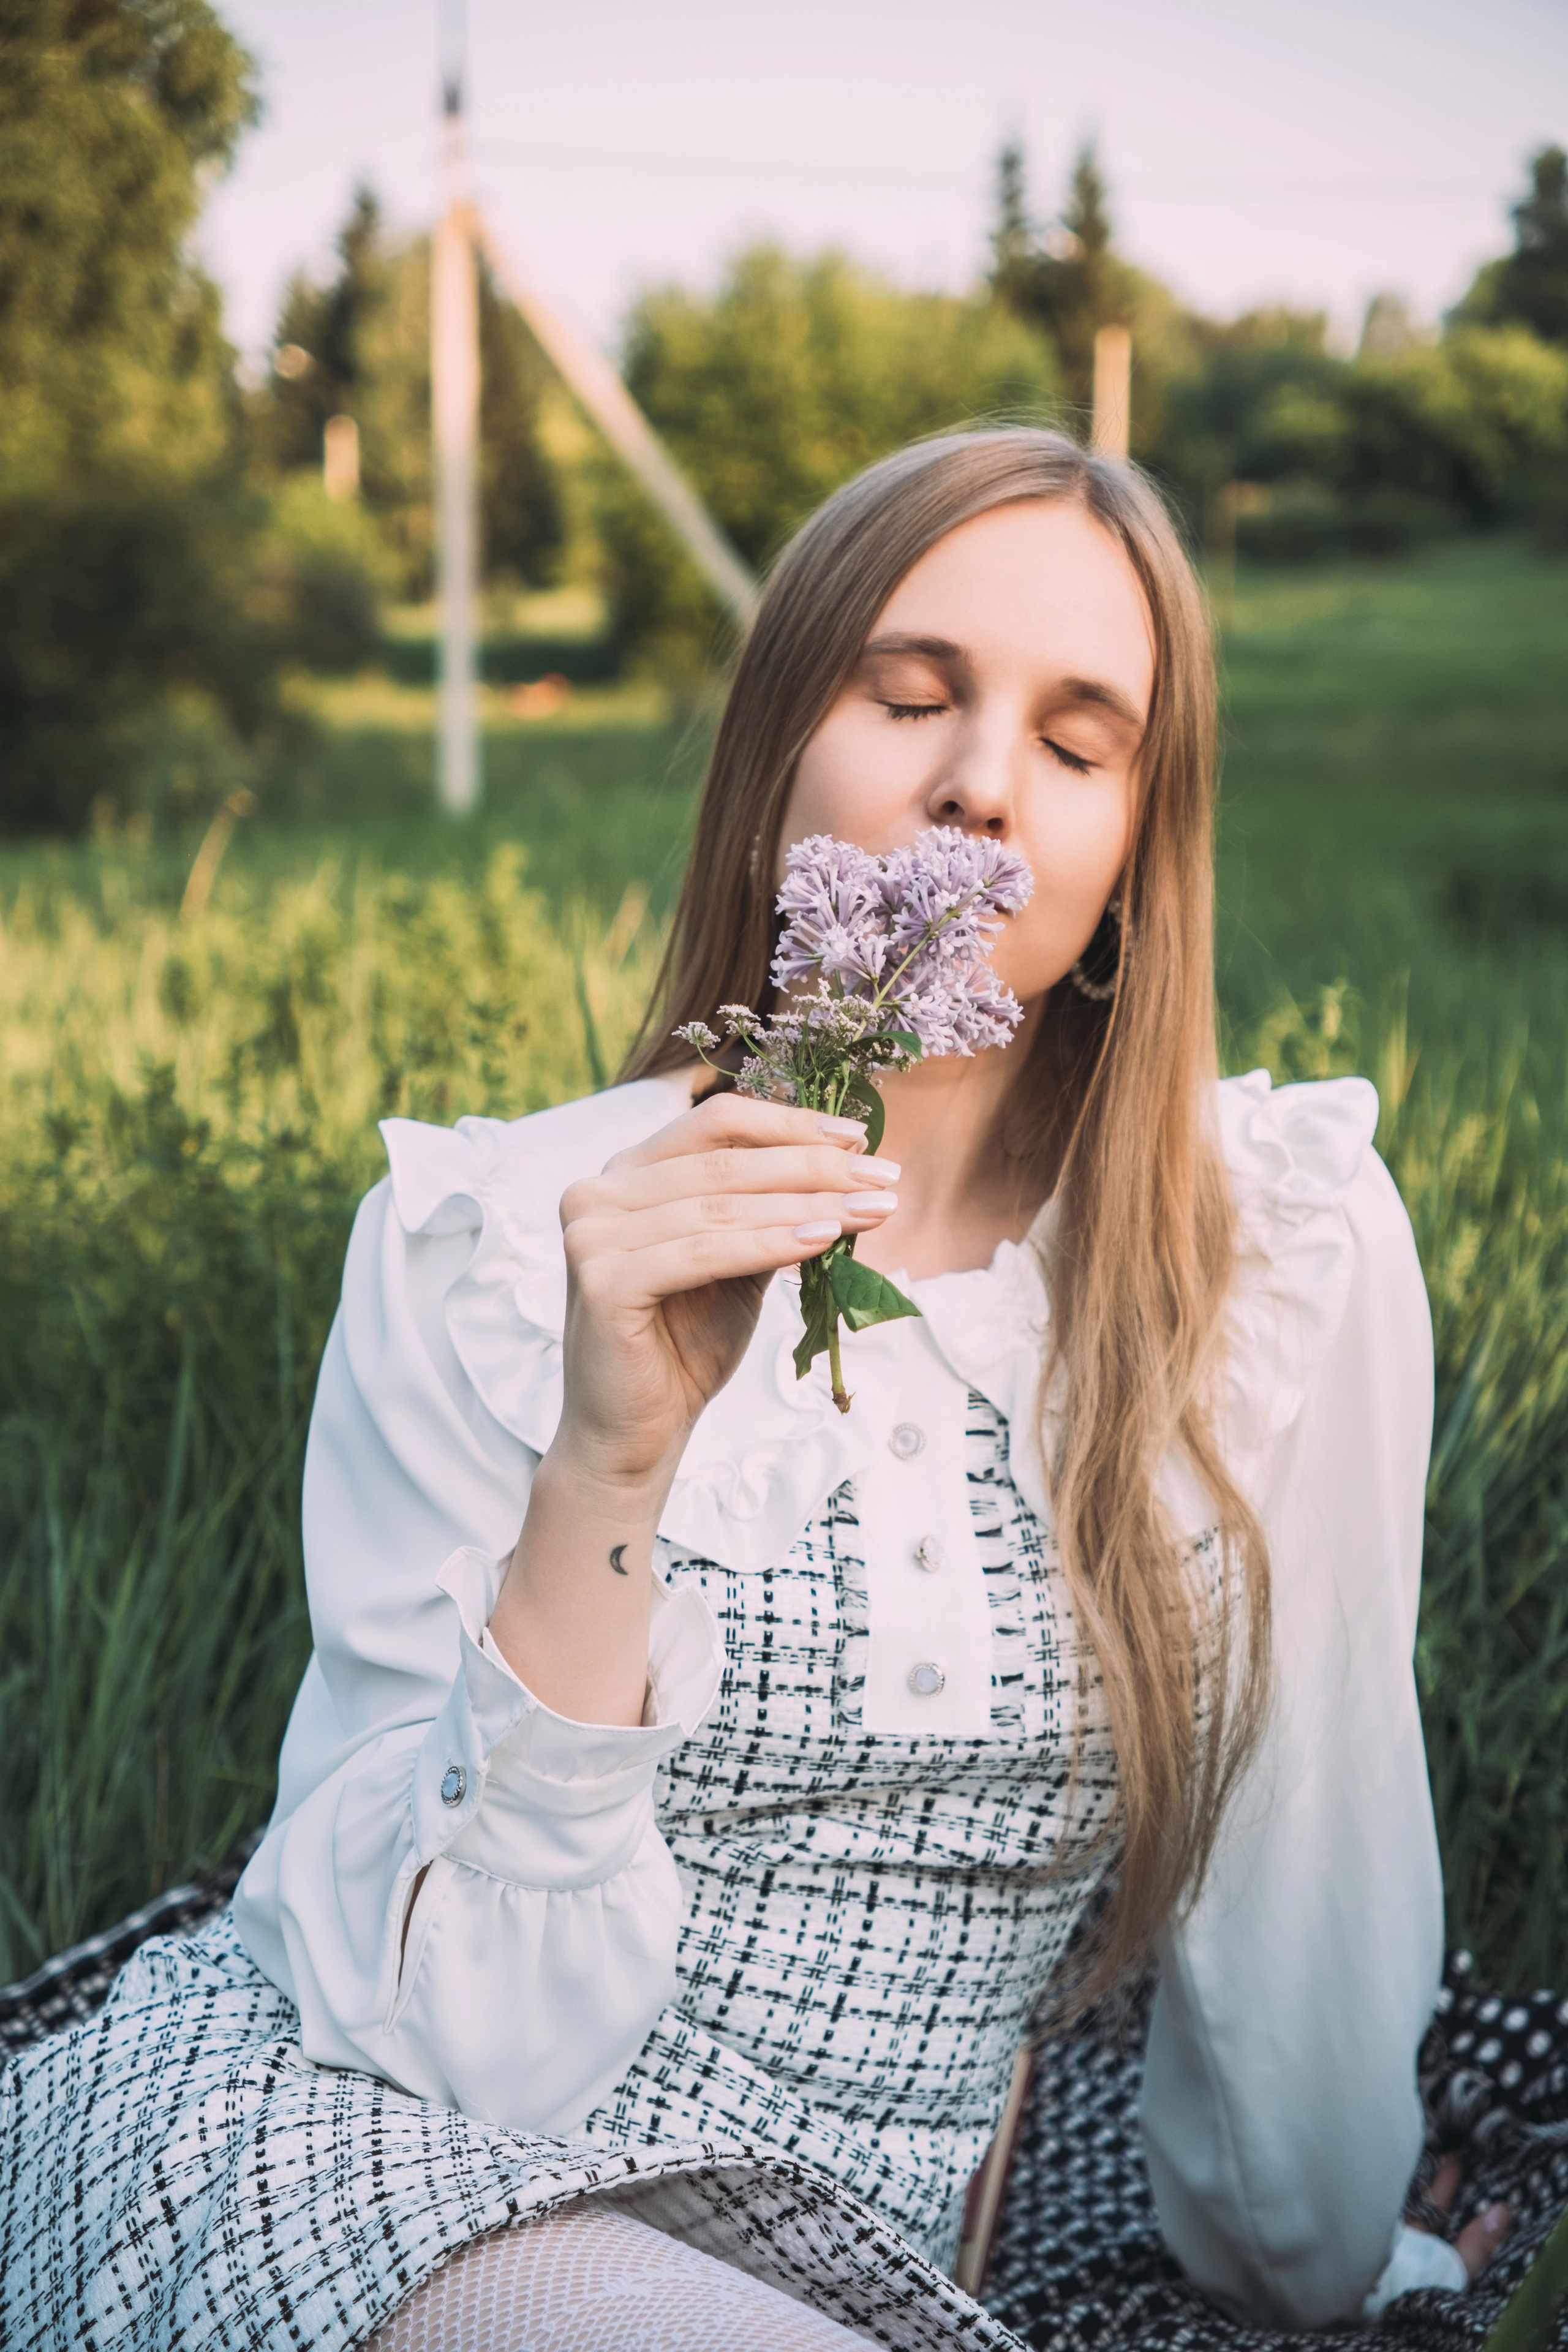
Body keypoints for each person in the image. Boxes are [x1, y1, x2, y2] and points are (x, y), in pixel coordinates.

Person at [1, 430, 1512, 2351]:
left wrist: (1319, 2272)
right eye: (911, 697)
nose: (980, 782)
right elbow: (437, 2039)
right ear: (778, 752)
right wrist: (607, 1457)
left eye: (1077, 741)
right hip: (371, 2172)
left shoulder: (1274, 1248)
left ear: (1139, 847)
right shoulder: (489, 1239)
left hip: (855, 2277)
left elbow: (1315, 1854)